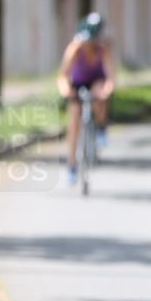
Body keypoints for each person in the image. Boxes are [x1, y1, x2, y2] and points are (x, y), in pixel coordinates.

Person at [56, 13, 115, 186]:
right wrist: (66, 90)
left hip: (96, 81)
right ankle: (72, 164)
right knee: (74, 117)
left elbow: (110, 78)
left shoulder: (102, 50)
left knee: (99, 95)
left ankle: (101, 128)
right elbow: (62, 76)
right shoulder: (74, 49)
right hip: (78, 84)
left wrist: (106, 91)